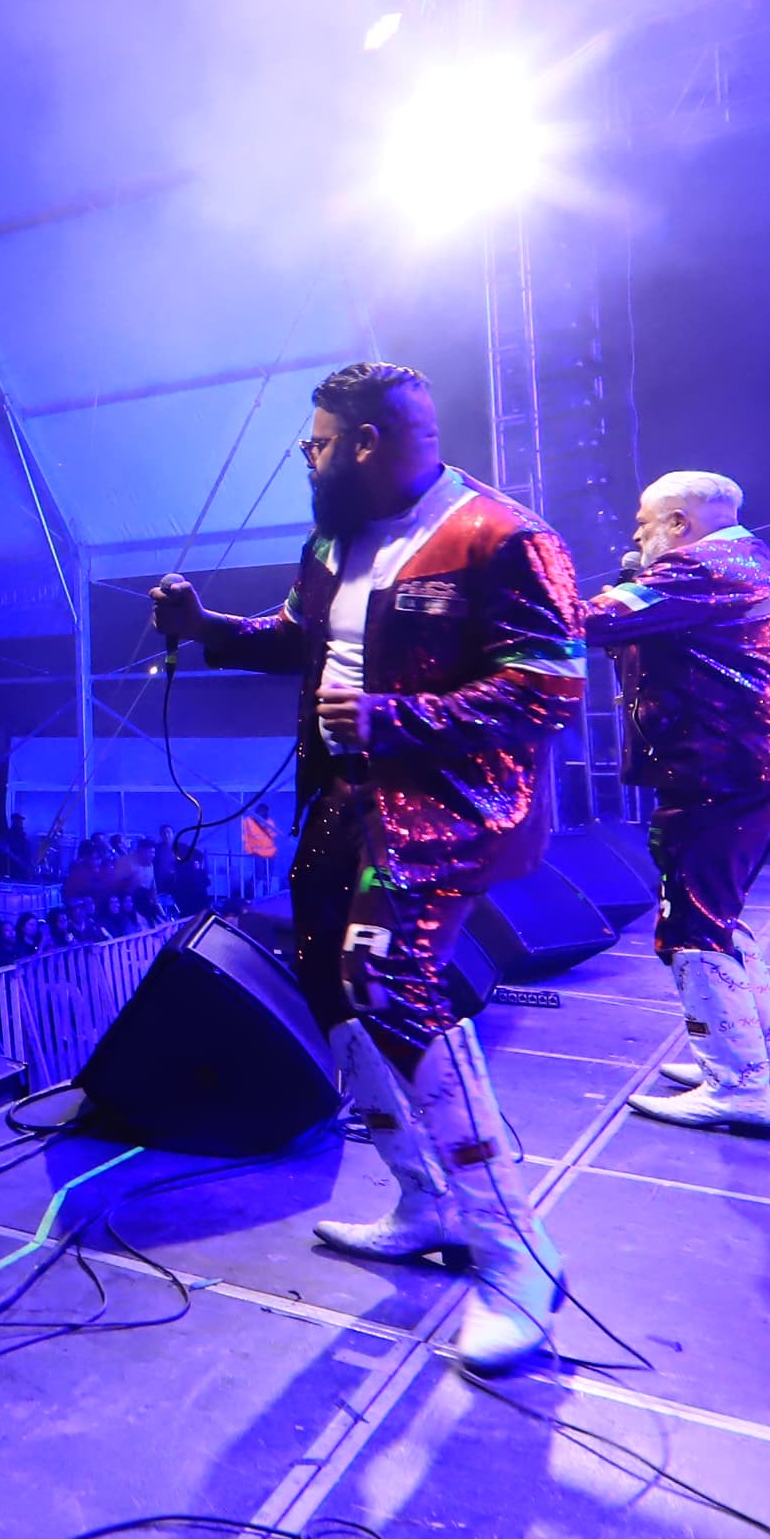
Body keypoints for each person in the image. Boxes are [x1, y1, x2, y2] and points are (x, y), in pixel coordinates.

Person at [150, 359, 585, 1373]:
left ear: (363, 442)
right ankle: (421, 1197)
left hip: (442, 806)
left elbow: (548, 688)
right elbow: (299, 642)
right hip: (340, 797)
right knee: (329, 988)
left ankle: (514, 1246)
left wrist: (398, 716)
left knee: (386, 985)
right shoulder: (331, 539)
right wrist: (209, 628)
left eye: (312, 444)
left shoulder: (501, 537)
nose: (304, 461)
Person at [581, 471, 770, 1134]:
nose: (638, 537)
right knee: (719, 914)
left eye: (644, 525)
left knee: (690, 924)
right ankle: (766, 1057)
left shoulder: (699, 569)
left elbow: (588, 621)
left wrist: (504, 609)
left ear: (679, 523)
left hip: (722, 766)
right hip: (761, 763)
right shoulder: (753, 562)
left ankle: (735, 1085)